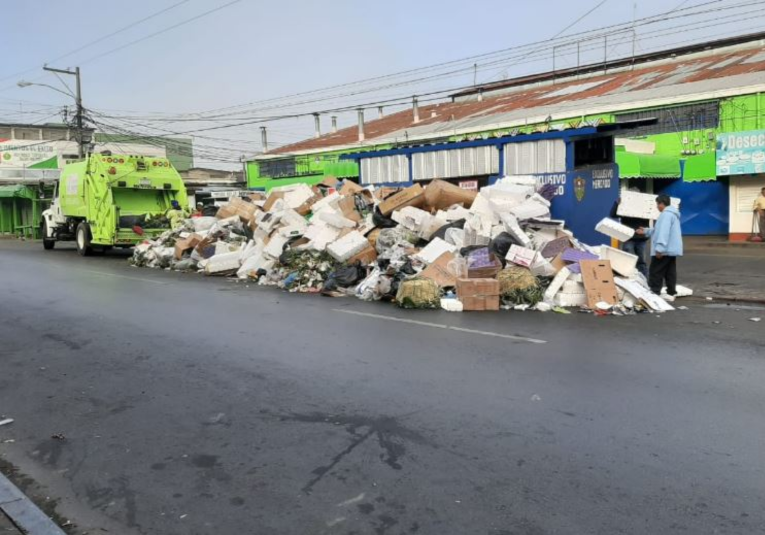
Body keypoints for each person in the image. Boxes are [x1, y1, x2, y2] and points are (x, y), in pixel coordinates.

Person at [636, 194, 683, 301]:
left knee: (655, 270)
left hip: (664, 250)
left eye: (657, 204)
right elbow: (659, 230)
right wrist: (646, 231)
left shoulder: (665, 215)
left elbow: (663, 232)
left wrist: (659, 249)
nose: (657, 207)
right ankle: (671, 292)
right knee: (669, 271)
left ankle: (654, 291)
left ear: (662, 203)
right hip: (671, 249)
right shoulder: (673, 214)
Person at [609, 187, 649, 277]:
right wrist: (617, 203)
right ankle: (629, 279)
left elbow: (653, 214)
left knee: (641, 262)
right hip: (628, 237)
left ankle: (645, 281)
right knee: (627, 260)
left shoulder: (644, 204)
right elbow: (612, 214)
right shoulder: (624, 205)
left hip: (641, 237)